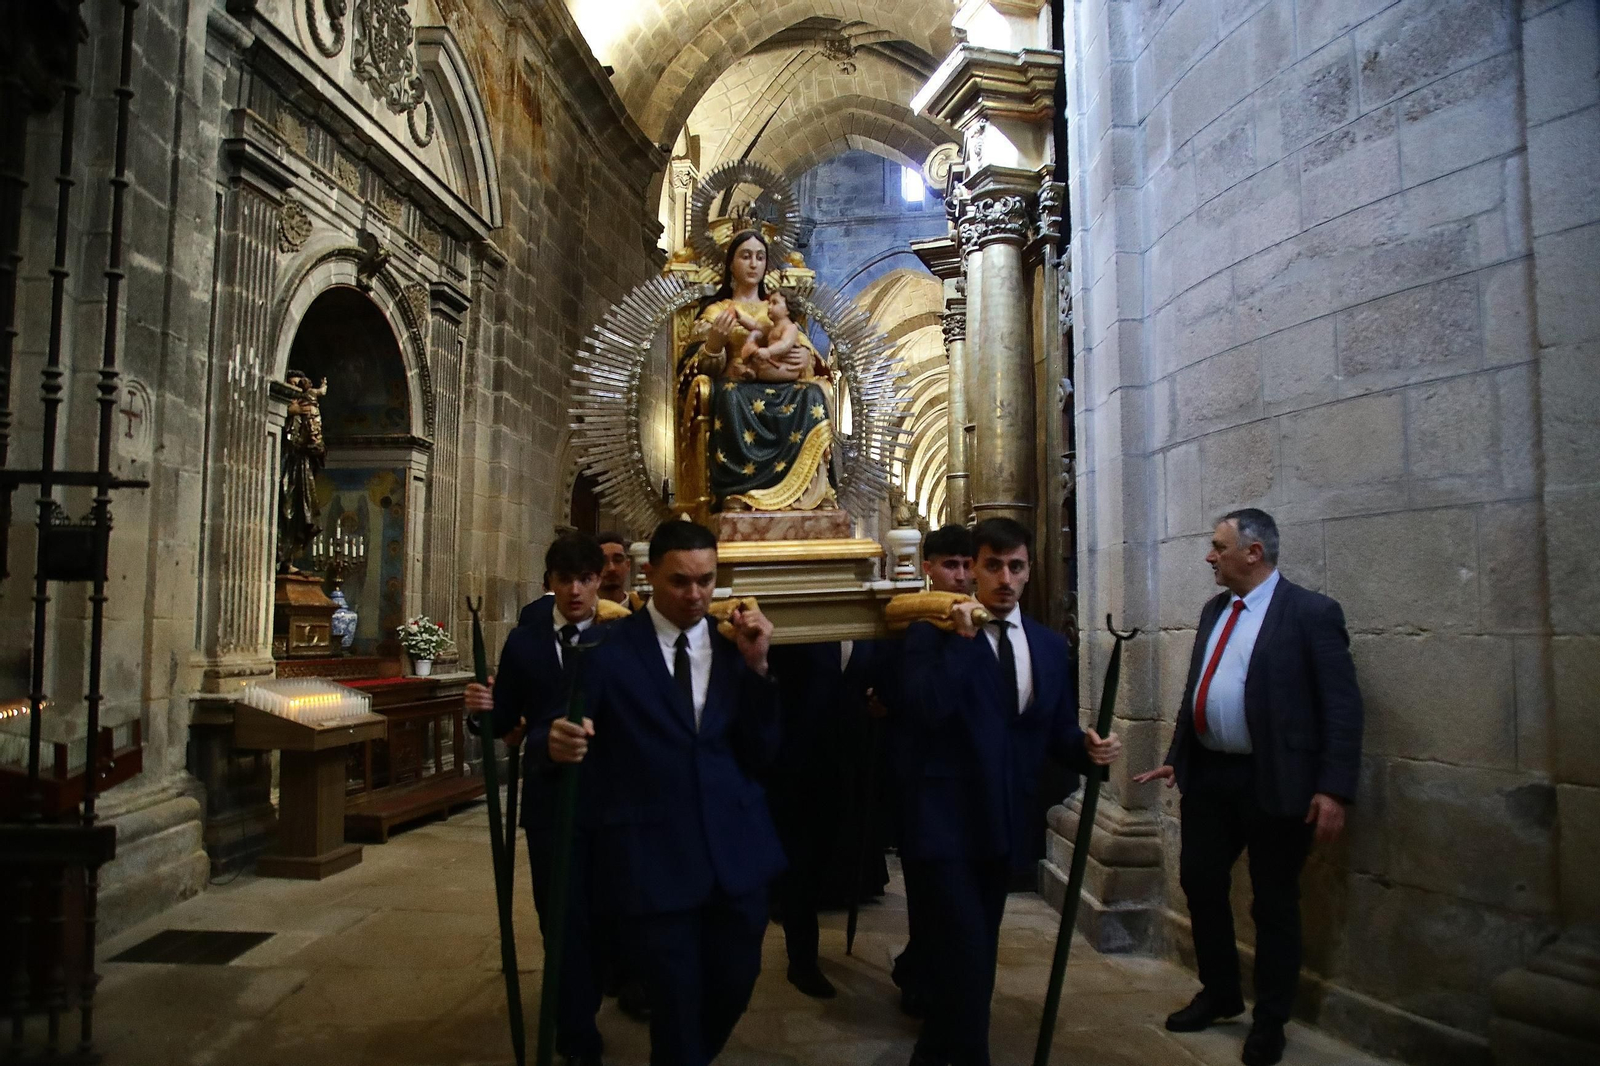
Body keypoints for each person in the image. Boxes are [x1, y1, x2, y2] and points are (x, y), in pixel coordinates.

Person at [544, 519, 784, 1066]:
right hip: (653, 859)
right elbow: (560, 727)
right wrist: (555, 741)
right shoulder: (605, 649)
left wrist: (760, 668)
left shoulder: (735, 647)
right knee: (675, 1004)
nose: (696, 594)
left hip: (736, 855)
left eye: (707, 580)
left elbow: (764, 752)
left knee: (735, 983)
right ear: (649, 574)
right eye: (680, 581)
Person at [1133, 509, 1362, 1066]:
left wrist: (1333, 789)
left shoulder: (1310, 613)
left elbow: (1341, 706)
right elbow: (1201, 689)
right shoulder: (1216, 610)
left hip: (1277, 781)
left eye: (1219, 546)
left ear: (1253, 552)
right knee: (1200, 881)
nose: (1210, 556)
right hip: (1212, 777)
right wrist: (1178, 757)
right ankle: (1220, 992)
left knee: (1274, 902)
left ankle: (1270, 1019)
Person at [896, 517, 1122, 1066]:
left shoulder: (1045, 646)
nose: (1004, 577)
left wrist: (1084, 748)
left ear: (1027, 572)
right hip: (943, 820)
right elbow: (923, 709)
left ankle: (933, 1054)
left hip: (1004, 821)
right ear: (972, 569)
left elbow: (1051, 730)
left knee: (975, 953)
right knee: (967, 953)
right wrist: (961, 645)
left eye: (1015, 566)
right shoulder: (930, 635)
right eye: (991, 565)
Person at [465, 533, 615, 1066]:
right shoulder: (524, 643)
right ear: (548, 582)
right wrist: (480, 710)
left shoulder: (617, 641)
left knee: (602, 920)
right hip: (551, 804)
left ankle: (584, 998)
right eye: (564, 580)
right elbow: (503, 720)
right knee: (560, 918)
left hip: (609, 805)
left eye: (585, 579)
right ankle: (577, 1030)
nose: (575, 590)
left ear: (599, 580)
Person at [888, 523, 976, 1017]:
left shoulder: (980, 619)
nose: (960, 576)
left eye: (967, 566)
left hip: (966, 778)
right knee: (928, 893)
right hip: (923, 779)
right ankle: (919, 975)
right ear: (928, 568)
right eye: (950, 565)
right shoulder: (914, 624)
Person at [766, 635, 885, 1000]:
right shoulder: (804, 622)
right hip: (797, 758)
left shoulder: (864, 624)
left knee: (828, 855)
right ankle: (802, 961)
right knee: (799, 863)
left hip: (849, 756)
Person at [688, 230, 835, 511]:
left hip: (782, 382)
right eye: (745, 256)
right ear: (731, 263)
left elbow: (805, 350)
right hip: (739, 385)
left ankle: (812, 492)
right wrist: (715, 344)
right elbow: (698, 369)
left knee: (814, 394)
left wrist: (803, 358)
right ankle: (738, 492)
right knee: (729, 396)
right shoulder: (717, 310)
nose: (754, 264)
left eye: (760, 257)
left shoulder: (777, 310)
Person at [595, 530, 646, 612]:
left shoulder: (643, 611)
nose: (612, 568)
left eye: (617, 560)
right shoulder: (583, 615)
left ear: (628, 565)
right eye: (603, 561)